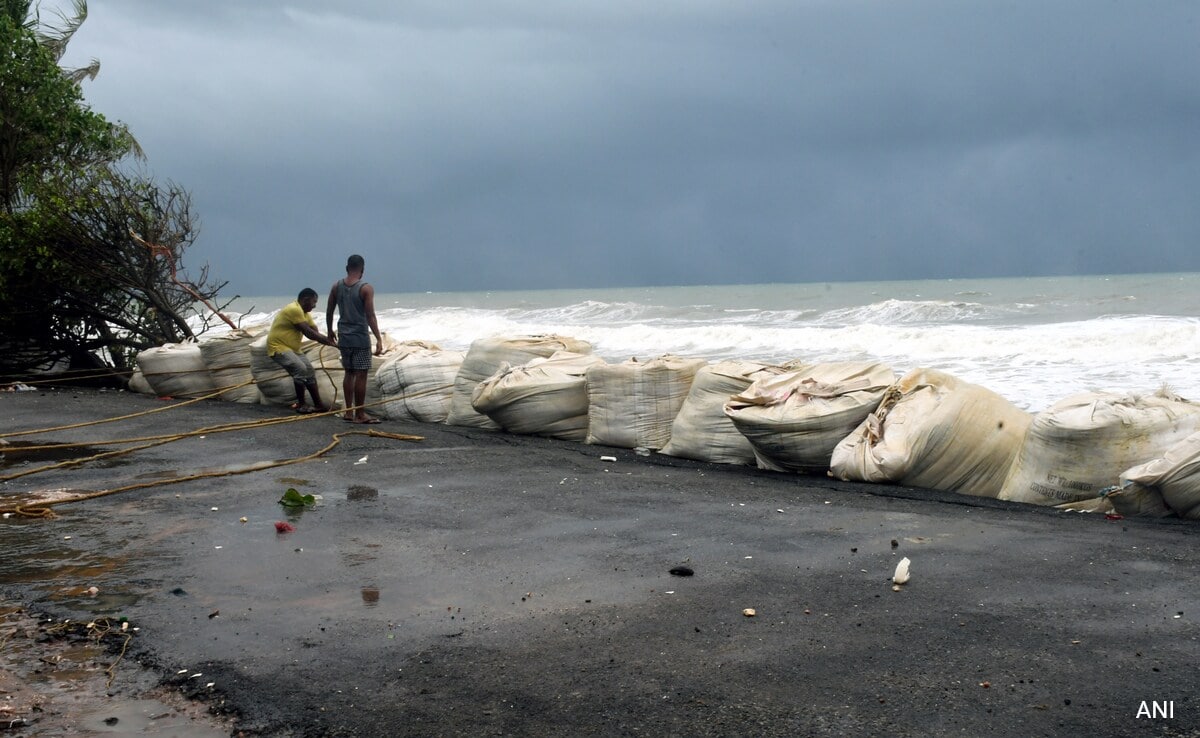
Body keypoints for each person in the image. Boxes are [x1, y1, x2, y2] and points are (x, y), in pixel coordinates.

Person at [327, 254, 384, 423]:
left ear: (347, 268)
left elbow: (329, 311)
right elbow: (370, 315)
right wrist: (378, 338)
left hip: (344, 336)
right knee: (361, 374)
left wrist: (330, 330)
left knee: (349, 373)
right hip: (359, 337)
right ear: (362, 270)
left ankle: (348, 412)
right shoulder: (365, 288)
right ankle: (360, 414)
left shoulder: (336, 286)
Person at [266, 288, 337, 414]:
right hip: (278, 347)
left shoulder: (305, 313)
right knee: (300, 369)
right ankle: (301, 404)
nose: (315, 305)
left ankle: (318, 405)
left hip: (293, 349)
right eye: (314, 302)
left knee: (309, 370)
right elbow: (309, 333)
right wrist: (331, 343)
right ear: (305, 300)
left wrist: (330, 340)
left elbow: (315, 331)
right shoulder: (294, 309)